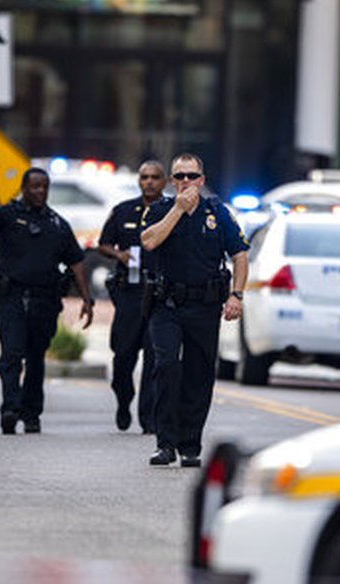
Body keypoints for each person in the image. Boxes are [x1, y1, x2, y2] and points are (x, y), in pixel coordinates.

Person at [0, 167, 94, 435]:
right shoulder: (7, 214)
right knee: (12, 355)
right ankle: (10, 409)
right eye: (35, 186)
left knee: (36, 358)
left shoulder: (57, 224)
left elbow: (77, 262)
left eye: (44, 187)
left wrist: (87, 299)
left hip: (45, 300)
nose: (40, 191)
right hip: (10, 297)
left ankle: (32, 413)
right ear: (24, 188)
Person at [140, 153, 248, 467]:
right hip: (167, 305)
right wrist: (177, 209)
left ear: (201, 179)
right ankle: (165, 443)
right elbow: (149, 242)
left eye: (191, 176)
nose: (185, 182)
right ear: (172, 181)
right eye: (179, 176)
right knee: (167, 365)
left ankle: (190, 445)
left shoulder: (217, 212)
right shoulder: (160, 209)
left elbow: (239, 254)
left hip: (204, 305)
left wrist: (236, 295)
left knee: (199, 375)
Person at [96, 160, 166, 434]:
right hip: (130, 294)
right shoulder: (123, 210)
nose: (149, 182)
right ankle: (123, 400)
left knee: (154, 359)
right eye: (144, 177)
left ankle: (148, 418)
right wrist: (119, 254)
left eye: (155, 177)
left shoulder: (172, 212)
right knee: (123, 356)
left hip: (159, 295)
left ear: (164, 182)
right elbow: (103, 244)